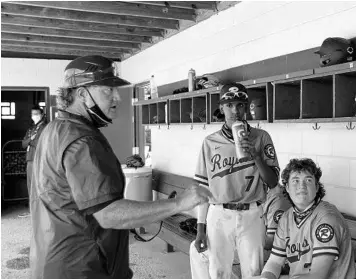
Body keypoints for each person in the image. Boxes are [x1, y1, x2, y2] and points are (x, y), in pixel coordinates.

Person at [29, 55, 212, 279]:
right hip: (83, 267)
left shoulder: (53, 129)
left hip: (54, 257)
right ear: (82, 94)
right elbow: (109, 215)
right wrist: (179, 203)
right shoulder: (82, 141)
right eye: (107, 90)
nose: (118, 97)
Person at [191, 83, 280, 279]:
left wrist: (256, 156)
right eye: (229, 105)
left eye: (240, 105)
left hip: (252, 213)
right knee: (219, 273)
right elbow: (202, 188)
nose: (235, 111)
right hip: (219, 213)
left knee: (254, 272)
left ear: (246, 107)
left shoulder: (261, 136)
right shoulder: (210, 141)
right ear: (221, 108)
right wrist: (200, 227)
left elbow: (273, 182)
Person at [255, 158, 355, 279]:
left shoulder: (327, 218)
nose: (301, 186)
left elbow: (317, 275)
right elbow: (275, 262)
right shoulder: (286, 218)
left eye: (308, 180)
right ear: (286, 187)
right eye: (295, 181)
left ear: (317, 187)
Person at [20, 105, 47, 217]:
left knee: (38, 185)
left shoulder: (44, 127)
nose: (34, 116)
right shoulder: (31, 129)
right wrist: (31, 139)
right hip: (30, 159)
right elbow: (23, 143)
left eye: (36, 113)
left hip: (38, 159)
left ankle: (39, 211)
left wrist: (30, 141)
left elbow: (39, 143)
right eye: (33, 114)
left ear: (41, 114)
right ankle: (33, 210)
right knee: (30, 185)